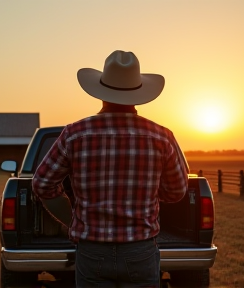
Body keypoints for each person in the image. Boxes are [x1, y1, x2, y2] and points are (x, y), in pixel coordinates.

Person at [32, 50, 189, 288]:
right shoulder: (161, 136)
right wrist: (146, 196)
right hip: (141, 250)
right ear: (137, 94)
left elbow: (42, 184)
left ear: (101, 93)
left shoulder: (75, 134)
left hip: (92, 251)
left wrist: (71, 219)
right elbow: (176, 191)